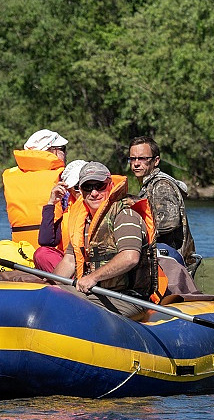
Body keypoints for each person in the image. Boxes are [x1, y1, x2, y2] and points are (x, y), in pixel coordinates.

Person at [49, 162, 164, 320]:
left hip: (128, 299)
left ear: (110, 185)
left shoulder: (125, 215)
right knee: (51, 295)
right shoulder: (83, 222)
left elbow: (130, 257)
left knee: (64, 301)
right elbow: (70, 260)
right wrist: (50, 286)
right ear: (81, 191)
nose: (94, 193)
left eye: (100, 186)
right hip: (96, 293)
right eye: (88, 187)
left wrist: (92, 278)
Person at [126, 136, 197, 268]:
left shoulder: (161, 185)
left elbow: (169, 222)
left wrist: (132, 232)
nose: (136, 163)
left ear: (156, 161)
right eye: (132, 158)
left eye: (142, 158)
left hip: (173, 264)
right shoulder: (149, 185)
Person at [2, 129, 68, 251]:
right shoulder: (63, 176)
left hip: (20, 250)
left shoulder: (10, 176)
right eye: (63, 149)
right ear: (54, 151)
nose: (65, 153)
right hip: (56, 250)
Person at [33, 159, 86, 272]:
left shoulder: (101, 206)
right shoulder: (69, 212)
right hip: (70, 267)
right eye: (77, 187)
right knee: (41, 254)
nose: (83, 191)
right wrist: (51, 203)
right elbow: (45, 241)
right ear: (69, 190)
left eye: (87, 185)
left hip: (92, 267)